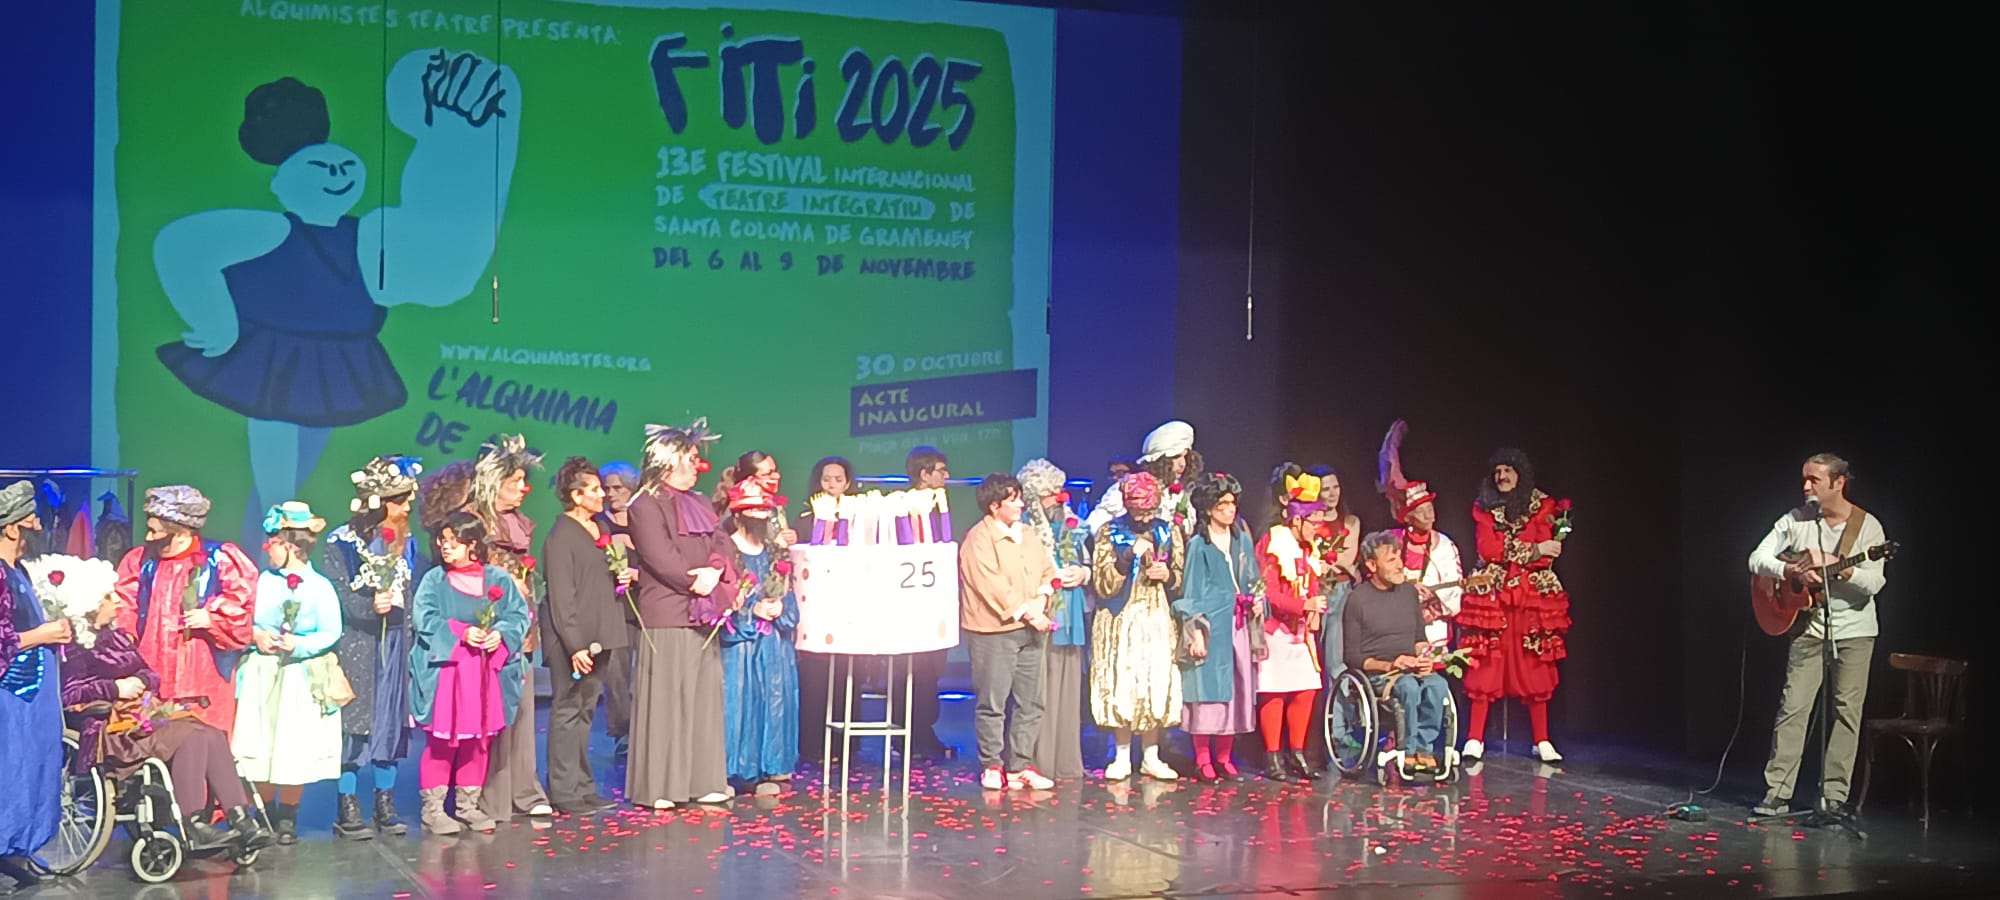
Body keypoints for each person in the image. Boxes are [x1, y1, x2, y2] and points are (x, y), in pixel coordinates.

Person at [150, 54, 520, 548]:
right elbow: (181, 246)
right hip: (275, 358)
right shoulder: (272, 229)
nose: (337, 175)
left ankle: (274, 550)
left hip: (337, 360)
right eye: (321, 167)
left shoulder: (363, 235)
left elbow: (438, 269)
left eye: (346, 167)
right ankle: (276, 550)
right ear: (282, 181)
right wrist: (216, 321)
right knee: (277, 465)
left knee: (299, 466)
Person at [35, 553, 276, 855]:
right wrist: (116, 688)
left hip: (139, 717)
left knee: (211, 734)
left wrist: (141, 682)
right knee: (191, 736)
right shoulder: (72, 646)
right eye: (109, 596)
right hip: (109, 730)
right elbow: (68, 695)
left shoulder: (115, 637)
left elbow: (149, 673)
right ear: (91, 604)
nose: (118, 601)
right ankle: (192, 822)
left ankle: (241, 820)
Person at [1748, 453, 1889, 819]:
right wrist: (1791, 571)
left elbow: (1875, 582)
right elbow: (1756, 558)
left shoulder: (1868, 527)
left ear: (1839, 483)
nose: (1806, 486)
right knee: (1793, 707)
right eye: (1804, 479)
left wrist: (1841, 571)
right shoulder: (1795, 520)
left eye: (1814, 479)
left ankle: (1833, 796)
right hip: (1808, 627)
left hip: (1855, 630)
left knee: (1846, 712)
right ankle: (1777, 792)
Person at [626, 420, 740, 809]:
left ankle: (703, 780)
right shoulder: (644, 505)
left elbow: (722, 542)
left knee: (704, 699)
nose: (697, 466)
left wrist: (716, 570)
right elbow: (660, 556)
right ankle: (661, 786)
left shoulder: (702, 503)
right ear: (668, 460)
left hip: (703, 613)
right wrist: (695, 580)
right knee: (667, 702)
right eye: (690, 458)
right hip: (668, 611)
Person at [408, 512, 532, 835]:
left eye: (454, 541)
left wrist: (500, 634)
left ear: (473, 544)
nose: (446, 546)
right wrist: (460, 632)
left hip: (483, 674)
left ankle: (467, 806)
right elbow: (424, 618)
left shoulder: (498, 579)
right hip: (450, 675)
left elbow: (518, 615)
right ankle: (434, 810)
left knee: (477, 741)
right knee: (442, 742)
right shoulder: (434, 580)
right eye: (443, 540)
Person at [322, 454, 425, 839]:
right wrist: (369, 606)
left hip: (395, 641)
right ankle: (347, 802)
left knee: (390, 723)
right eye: (399, 500)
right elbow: (338, 595)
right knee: (356, 725)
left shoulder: (407, 542)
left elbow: (409, 595)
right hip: (358, 643)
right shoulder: (341, 543)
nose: (407, 506)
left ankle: (385, 800)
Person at [232, 502, 344, 845]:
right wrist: (256, 635)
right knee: (261, 740)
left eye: (273, 543)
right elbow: (242, 619)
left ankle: (288, 817)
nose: (267, 549)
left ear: (291, 546)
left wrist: (298, 644)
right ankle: (264, 812)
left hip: (297, 676)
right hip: (262, 672)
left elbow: (331, 631)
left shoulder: (319, 586)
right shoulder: (262, 582)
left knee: (292, 743)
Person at [114, 486, 258, 736]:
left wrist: (212, 619)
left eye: (156, 532)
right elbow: (124, 604)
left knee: (199, 743)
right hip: (150, 668)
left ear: (181, 534)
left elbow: (241, 610)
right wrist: (125, 640)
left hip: (201, 676)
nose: (148, 537)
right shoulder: (141, 561)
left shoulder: (220, 560)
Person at [1459, 447, 1572, 764]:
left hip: (1531, 595)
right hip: (1494, 594)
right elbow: (1489, 549)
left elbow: (1549, 554)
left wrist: (1533, 551)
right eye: (1497, 471)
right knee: (1485, 661)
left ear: (1520, 473)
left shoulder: (1543, 505)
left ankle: (1542, 739)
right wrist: (1534, 549)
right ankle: (1475, 738)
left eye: (1507, 470)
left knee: (1535, 662)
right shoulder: (1483, 507)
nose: (1502, 476)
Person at [468, 434, 554, 822]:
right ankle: (489, 794)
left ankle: (525, 789)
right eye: (515, 481)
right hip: (485, 630)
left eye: (524, 480)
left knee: (522, 711)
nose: (524, 488)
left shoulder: (518, 523)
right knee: (491, 712)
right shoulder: (471, 522)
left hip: (521, 630)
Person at [541, 457, 632, 814]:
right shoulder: (561, 536)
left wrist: (619, 579)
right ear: (576, 496)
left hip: (601, 632)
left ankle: (583, 784)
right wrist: (575, 645)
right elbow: (562, 596)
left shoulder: (599, 529)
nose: (601, 495)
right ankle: (563, 790)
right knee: (567, 710)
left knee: (586, 710)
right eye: (594, 490)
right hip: (574, 639)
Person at [959, 473, 1058, 791]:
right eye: (1013, 500)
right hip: (994, 631)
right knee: (993, 701)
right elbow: (992, 586)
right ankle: (992, 765)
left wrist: (1041, 601)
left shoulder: (1027, 534)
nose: (1020, 505)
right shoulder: (979, 539)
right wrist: (1028, 612)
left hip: (1032, 627)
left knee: (1031, 701)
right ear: (994, 505)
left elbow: (1047, 571)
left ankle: (1020, 765)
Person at [1090, 472, 1185, 781]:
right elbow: (1102, 584)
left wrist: (1167, 576)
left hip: (1155, 614)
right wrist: (1127, 555)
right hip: (1121, 616)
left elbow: (1180, 576)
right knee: (1124, 681)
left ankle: (1151, 756)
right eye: (1139, 510)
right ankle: (1121, 755)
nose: (1145, 517)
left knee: (1154, 681)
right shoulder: (1110, 532)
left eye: (1150, 510)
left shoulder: (1167, 530)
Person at [1173, 473, 1264, 783]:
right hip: (1212, 624)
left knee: (1235, 689)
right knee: (1207, 690)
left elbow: (1253, 579)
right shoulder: (1199, 545)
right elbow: (1192, 589)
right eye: (1222, 504)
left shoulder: (1241, 539)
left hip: (1238, 623)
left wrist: (1258, 600)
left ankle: (1225, 757)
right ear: (1209, 508)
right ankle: (1203, 759)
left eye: (1232, 503)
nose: (1229, 510)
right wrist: (1196, 630)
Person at [1344, 531, 1453, 777]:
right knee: (1408, 687)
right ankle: (1408, 750)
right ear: (1372, 565)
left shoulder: (1408, 593)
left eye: (1399, 558)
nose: (1400, 565)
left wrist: (1424, 656)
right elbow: (1351, 657)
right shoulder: (1357, 600)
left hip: (1411, 667)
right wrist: (1390, 665)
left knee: (1438, 685)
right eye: (1391, 560)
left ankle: (1424, 748)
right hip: (1379, 673)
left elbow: (1419, 638)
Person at [0, 482, 66, 888]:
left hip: (31, 697)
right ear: (12, 528)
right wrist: (41, 634)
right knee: (10, 770)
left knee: (31, 769)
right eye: (31, 523)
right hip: (11, 695)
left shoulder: (17, 571)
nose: (38, 530)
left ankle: (16, 850)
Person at [719, 477, 802, 795]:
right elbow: (720, 597)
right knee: (739, 701)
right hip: (741, 643)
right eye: (753, 510)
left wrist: (781, 606)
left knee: (776, 699)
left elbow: (789, 589)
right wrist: (751, 609)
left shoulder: (776, 553)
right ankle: (734, 770)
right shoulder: (726, 550)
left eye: (764, 510)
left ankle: (773, 768)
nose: (760, 516)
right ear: (738, 513)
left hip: (774, 643)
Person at [1256, 466, 1331, 782]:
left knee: (1306, 689)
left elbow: (1310, 583)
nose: (1319, 529)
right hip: (1274, 629)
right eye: (1314, 523)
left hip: (1300, 632)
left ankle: (1297, 753)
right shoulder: (1274, 542)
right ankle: (1273, 756)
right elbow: (1269, 592)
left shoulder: (1308, 547)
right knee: (1274, 691)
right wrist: (1304, 606)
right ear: (1298, 520)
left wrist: (1314, 608)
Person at [1018, 459, 1091, 780]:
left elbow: (1088, 560)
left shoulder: (1073, 524)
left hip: (1071, 607)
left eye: (1059, 491)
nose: (1057, 499)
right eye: (1050, 494)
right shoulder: (1024, 529)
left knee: (1069, 683)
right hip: (1042, 608)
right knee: (1041, 685)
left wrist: (1084, 573)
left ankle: (1065, 759)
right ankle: (1039, 759)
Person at [895, 445, 954, 761]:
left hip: (936, 603)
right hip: (911, 604)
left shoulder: (938, 507)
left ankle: (922, 732)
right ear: (924, 474)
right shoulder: (905, 509)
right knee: (912, 673)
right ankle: (909, 735)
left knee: (931, 673)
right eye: (941, 470)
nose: (947, 476)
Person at [795, 455, 854, 762]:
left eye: (838, 480)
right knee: (814, 678)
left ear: (848, 483)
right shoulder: (805, 518)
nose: (832, 485)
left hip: (847, 612)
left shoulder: (858, 517)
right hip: (815, 612)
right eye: (827, 479)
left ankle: (845, 746)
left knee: (846, 676)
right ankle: (812, 744)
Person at [597, 460, 643, 756]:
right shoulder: (600, 524)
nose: (611, 494)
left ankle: (648, 729)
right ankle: (622, 733)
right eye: (607, 488)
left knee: (648, 673)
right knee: (616, 673)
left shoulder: (645, 521)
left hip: (647, 605)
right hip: (616, 608)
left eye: (618, 488)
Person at [1087, 421, 1202, 534]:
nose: (1182, 464)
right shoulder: (1126, 488)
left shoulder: (1181, 493)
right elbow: (1093, 527)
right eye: (1176, 457)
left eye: (1185, 457)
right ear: (1160, 460)